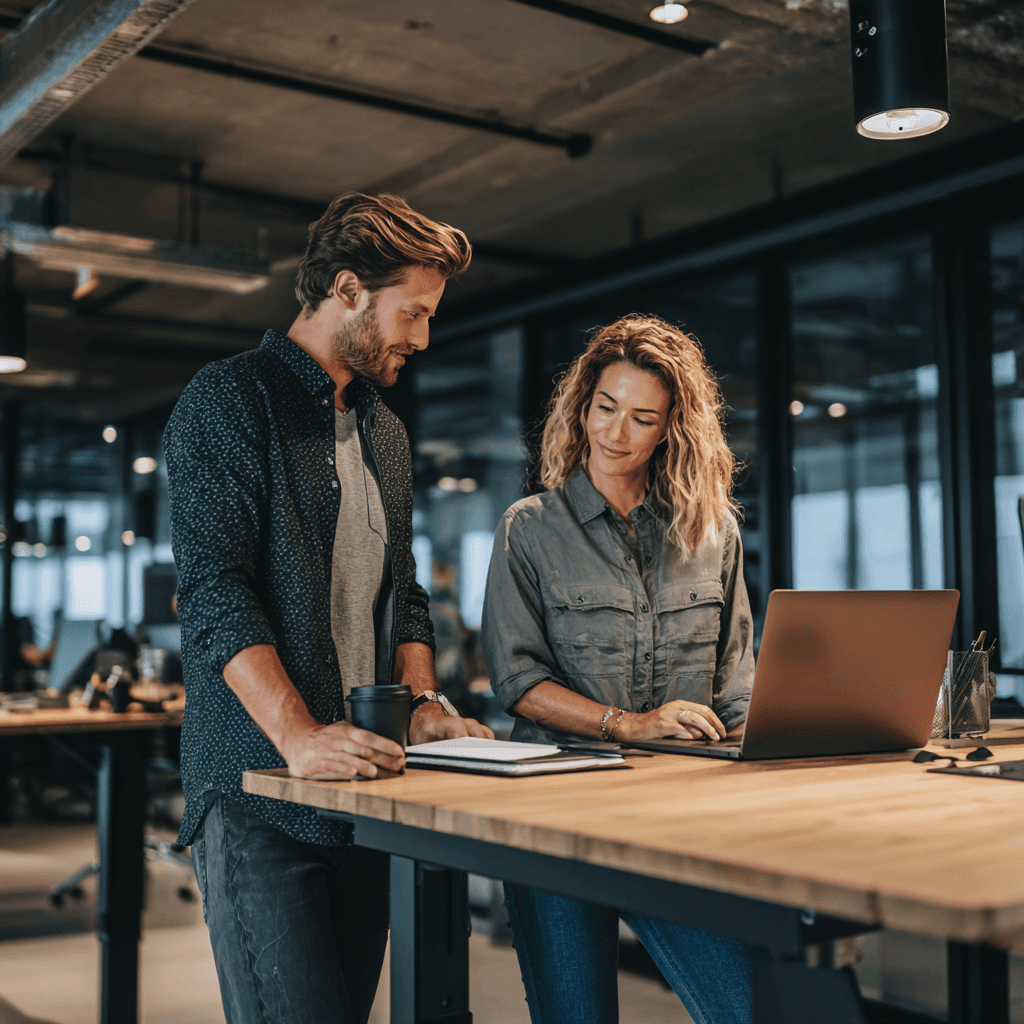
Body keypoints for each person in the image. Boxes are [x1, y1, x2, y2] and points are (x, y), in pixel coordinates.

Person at [165, 192, 493, 1024]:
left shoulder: (386, 433)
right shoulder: (229, 399)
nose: (423, 338)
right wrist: (299, 736)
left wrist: (421, 701)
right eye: (413, 313)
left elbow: (404, 591)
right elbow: (215, 592)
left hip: (362, 791)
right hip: (260, 794)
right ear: (348, 289)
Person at [481, 313, 760, 1024]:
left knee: (747, 1009)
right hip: (557, 816)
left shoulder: (713, 532)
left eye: (642, 418)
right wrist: (629, 724)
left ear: (671, 429)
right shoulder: (529, 528)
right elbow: (519, 682)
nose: (616, 432)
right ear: (582, 407)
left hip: (679, 817)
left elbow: (736, 685)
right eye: (606, 407)